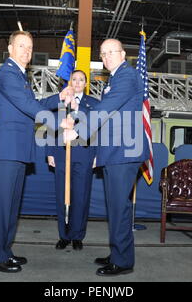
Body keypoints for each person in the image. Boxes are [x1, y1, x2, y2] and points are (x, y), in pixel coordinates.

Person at [0, 30, 71, 273]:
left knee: (11, 207)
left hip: (18, 149)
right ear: (10, 48)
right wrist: (58, 123)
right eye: (21, 46)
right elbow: (27, 105)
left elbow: (34, 105)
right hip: (5, 150)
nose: (26, 51)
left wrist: (59, 98)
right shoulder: (7, 73)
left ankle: (4, 250)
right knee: (1, 206)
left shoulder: (21, 77)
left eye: (30, 48)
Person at [61, 39, 150, 276]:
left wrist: (77, 130)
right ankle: (118, 253)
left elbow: (106, 108)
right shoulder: (115, 78)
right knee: (115, 207)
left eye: (112, 52)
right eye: (103, 53)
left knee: (119, 208)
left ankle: (122, 263)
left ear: (123, 54)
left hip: (124, 151)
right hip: (114, 152)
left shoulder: (127, 76)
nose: (107, 57)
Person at [46, 70, 99, 251]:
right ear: (69, 82)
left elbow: (99, 131)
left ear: (86, 83)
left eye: (81, 80)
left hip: (84, 155)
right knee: (62, 196)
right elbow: (50, 128)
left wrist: (97, 155)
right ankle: (64, 235)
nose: (77, 82)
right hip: (61, 155)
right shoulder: (61, 101)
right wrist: (50, 152)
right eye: (74, 79)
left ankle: (77, 236)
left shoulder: (93, 104)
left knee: (81, 197)